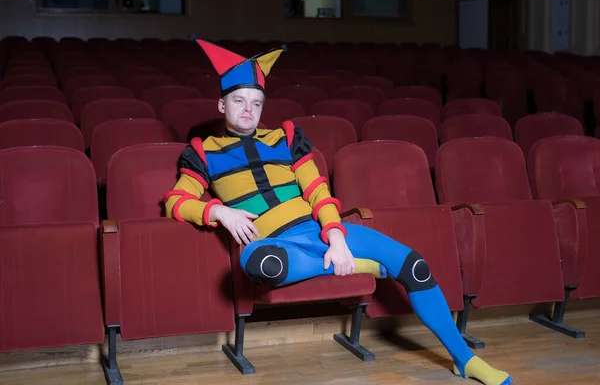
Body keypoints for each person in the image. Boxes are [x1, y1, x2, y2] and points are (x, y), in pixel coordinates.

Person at [164, 39, 513, 385]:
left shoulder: (286, 138)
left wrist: (334, 236)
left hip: (318, 230)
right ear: (222, 105)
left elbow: (318, 191)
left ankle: (465, 360)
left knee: (416, 267)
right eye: (239, 101)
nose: (248, 110)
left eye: (256, 103)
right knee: (257, 263)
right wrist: (220, 212)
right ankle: (358, 267)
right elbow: (176, 202)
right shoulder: (202, 152)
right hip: (279, 246)